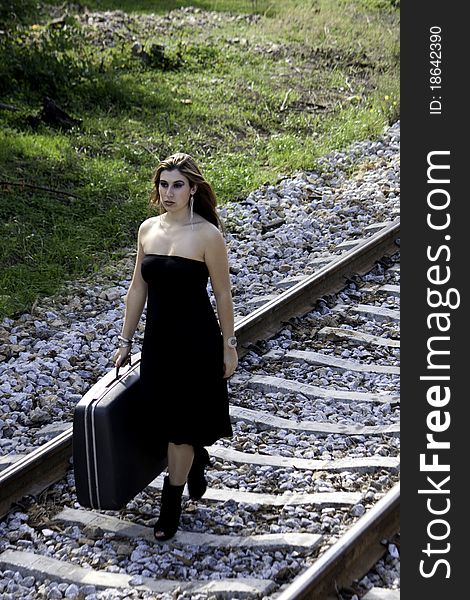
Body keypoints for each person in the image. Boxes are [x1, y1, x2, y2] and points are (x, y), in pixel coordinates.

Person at [113, 152, 238, 541]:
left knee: (181, 431)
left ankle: (169, 510)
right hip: (158, 346)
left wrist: (229, 344)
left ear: (193, 189)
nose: (168, 192)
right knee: (165, 425)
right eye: (163, 184)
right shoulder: (147, 230)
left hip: (196, 344)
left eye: (177, 185)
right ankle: (195, 457)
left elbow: (222, 294)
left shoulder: (208, 236)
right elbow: (138, 288)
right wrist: (124, 341)